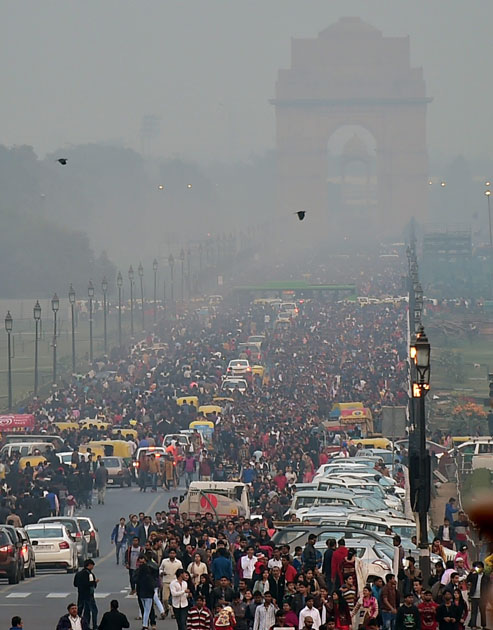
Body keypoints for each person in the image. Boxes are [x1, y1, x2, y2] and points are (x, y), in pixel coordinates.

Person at [74, 558, 99, 630]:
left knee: (80, 610)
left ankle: (77, 625)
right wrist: (95, 582)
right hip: (88, 595)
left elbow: (75, 584)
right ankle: (94, 626)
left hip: (80, 594)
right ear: (89, 565)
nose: (93, 567)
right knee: (93, 610)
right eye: (92, 566)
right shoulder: (90, 574)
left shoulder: (78, 574)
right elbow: (90, 584)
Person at [466, 561, 488, 630]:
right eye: (477, 567)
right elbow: (468, 580)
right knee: (474, 612)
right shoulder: (474, 575)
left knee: (483, 612)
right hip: (474, 596)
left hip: (482, 597)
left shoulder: (486, 577)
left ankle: (483, 625)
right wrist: (470, 572)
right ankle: (473, 625)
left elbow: (488, 586)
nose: (478, 569)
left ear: (482, 568)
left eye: (479, 567)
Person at [135, 554, 155, 630]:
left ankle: (145, 624)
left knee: (145, 610)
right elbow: (151, 586)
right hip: (148, 595)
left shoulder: (139, 574)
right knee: (147, 610)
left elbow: (135, 581)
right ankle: (145, 625)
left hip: (141, 594)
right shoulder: (149, 576)